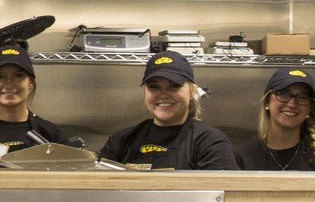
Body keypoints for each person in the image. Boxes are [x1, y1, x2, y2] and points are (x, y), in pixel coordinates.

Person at [98, 51, 239, 171]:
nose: (163, 94)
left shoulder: (210, 142)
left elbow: (219, 192)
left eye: (174, 86)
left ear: (191, 92)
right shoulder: (121, 141)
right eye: (154, 87)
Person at [0, 43, 71, 168]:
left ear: (30, 83)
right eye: (0, 77)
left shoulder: (52, 136)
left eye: (18, 76)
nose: (9, 84)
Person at [233, 68, 315, 172]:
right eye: (284, 94)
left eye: (302, 97)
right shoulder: (243, 157)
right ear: (267, 102)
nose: (292, 104)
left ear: (309, 108)